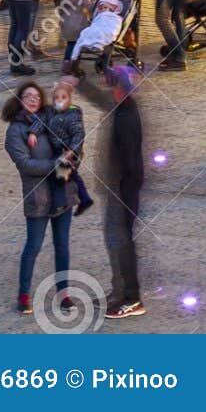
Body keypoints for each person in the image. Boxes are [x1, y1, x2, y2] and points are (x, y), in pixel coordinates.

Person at [2, 79, 77, 315]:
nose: (33, 99)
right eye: (28, 96)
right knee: (33, 246)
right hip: (39, 196)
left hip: (62, 192)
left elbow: (72, 146)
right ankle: (24, 295)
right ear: (19, 102)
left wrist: (71, 159)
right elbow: (25, 164)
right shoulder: (15, 131)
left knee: (62, 246)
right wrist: (56, 164)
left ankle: (63, 293)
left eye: (36, 96)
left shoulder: (52, 119)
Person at [85, 65, 146, 318]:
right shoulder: (120, 106)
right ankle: (119, 290)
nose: (108, 89)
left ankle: (132, 299)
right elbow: (98, 99)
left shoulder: (125, 118)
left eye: (111, 85)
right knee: (114, 240)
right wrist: (78, 79)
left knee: (121, 242)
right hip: (116, 190)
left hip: (122, 192)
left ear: (119, 89)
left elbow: (131, 163)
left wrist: (121, 194)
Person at [42, 75, 94, 216]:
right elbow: (41, 121)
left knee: (57, 177)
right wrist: (33, 132)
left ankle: (61, 203)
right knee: (73, 176)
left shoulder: (72, 115)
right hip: (60, 151)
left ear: (70, 99)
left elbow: (79, 134)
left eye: (63, 97)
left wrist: (72, 151)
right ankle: (85, 199)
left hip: (67, 152)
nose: (59, 100)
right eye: (56, 98)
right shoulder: (51, 112)